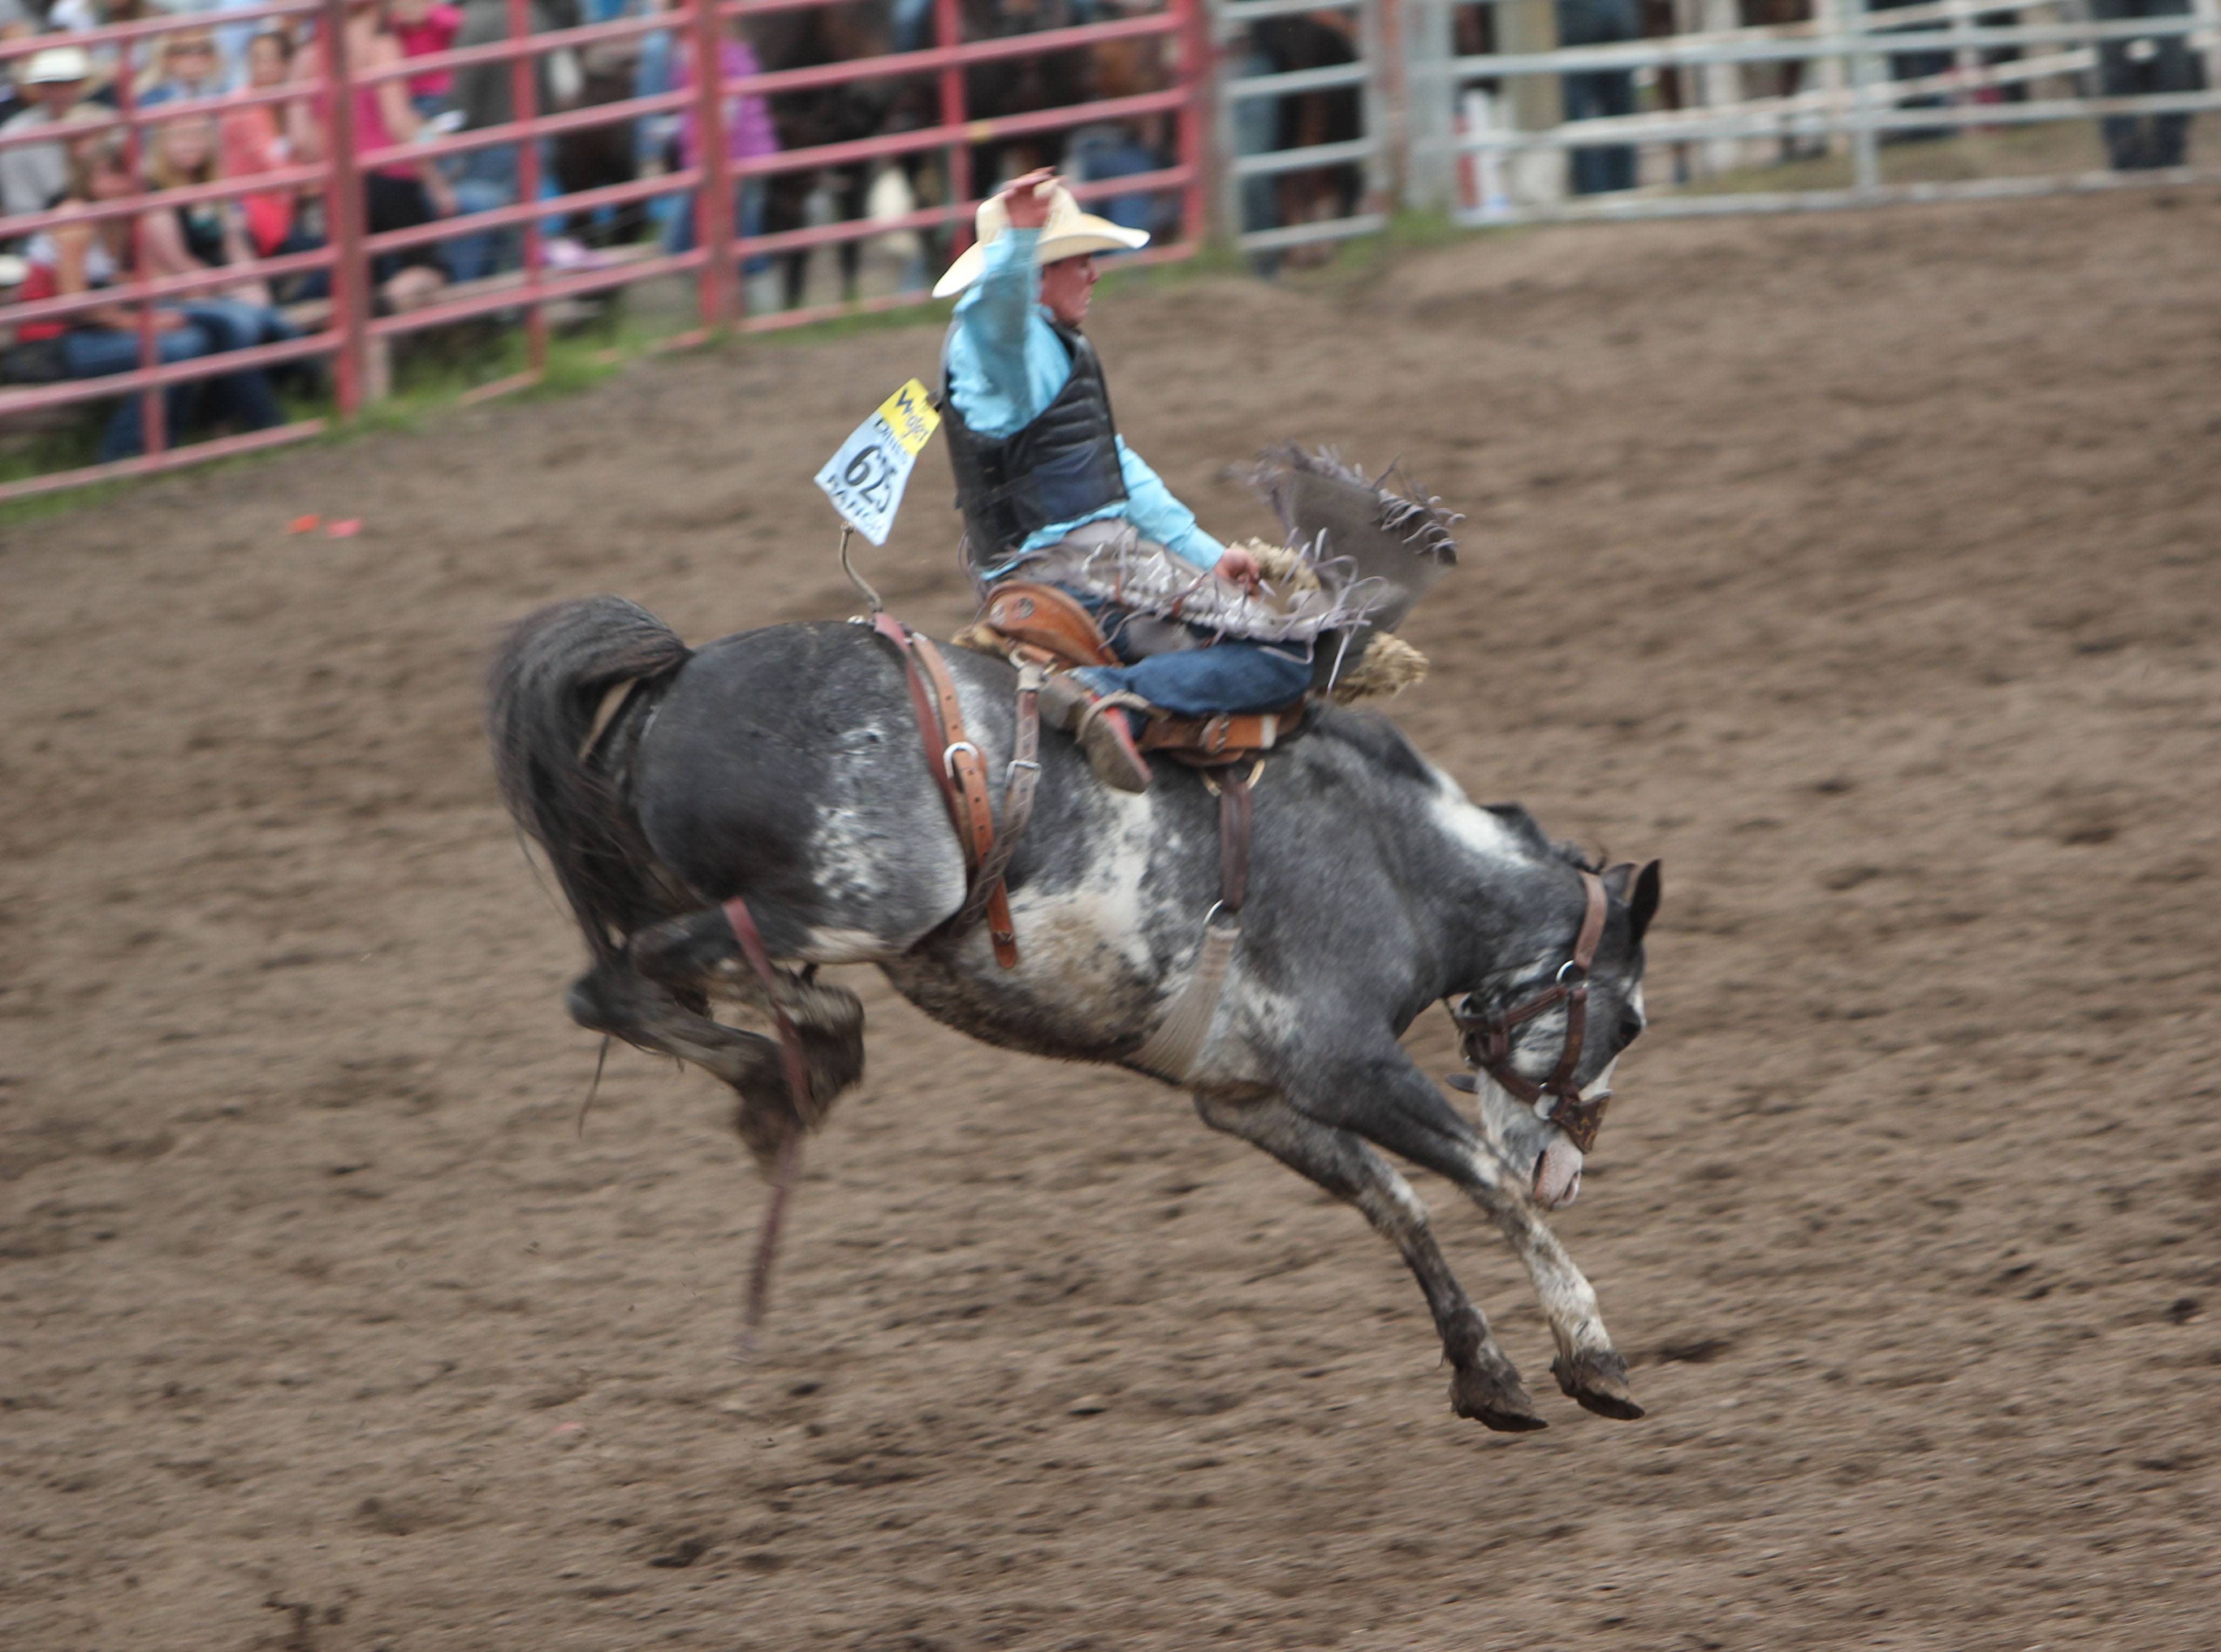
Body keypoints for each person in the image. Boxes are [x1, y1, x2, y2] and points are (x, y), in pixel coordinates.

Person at [935, 170, 1306, 795]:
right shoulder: (1008, 348)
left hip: (1059, 564)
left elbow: (1116, 470)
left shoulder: (1043, 351)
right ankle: (1107, 694)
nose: (1094, 274)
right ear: (1035, 273)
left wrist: (1209, 556)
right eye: (1078, 260)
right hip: (1082, 570)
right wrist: (1021, 243)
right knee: (1286, 655)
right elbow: (997, 318)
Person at [12, 128, 283, 457]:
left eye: (125, 175)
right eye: (109, 174)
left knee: (223, 323)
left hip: (100, 323)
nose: (119, 184)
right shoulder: (76, 218)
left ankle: (219, 427)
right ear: (88, 176)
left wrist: (166, 300)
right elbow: (78, 306)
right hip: (54, 341)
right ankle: (126, 451)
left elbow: (121, 280)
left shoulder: (123, 218)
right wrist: (146, 323)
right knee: (182, 345)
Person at [1, 46, 93, 225]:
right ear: (40, 88)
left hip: (102, 223)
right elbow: (22, 208)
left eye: (70, 83)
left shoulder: (105, 121)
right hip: (43, 229)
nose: (62, 93)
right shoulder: (15, 136)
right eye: (52, 84)